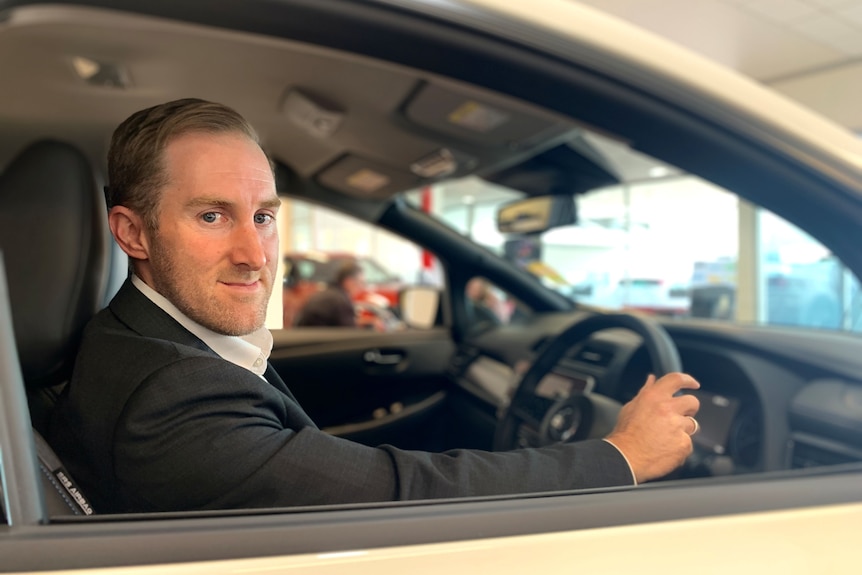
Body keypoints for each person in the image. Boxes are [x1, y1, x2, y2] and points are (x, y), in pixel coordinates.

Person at [49, 98, 701, 514]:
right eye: (212, 216)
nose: (254, 254)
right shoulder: (171, 395)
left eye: (263, 216)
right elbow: (396, 494)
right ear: (133, 233)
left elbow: (301, 460)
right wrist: (621, 454)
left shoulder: (130, 339)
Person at [294, 260, 365, 328]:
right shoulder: (340, 301)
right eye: (360, 282)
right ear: (348, 281)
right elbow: (349, 331)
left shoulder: (330, 294)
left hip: (305, 334)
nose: (361, 287)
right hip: (317, 336)